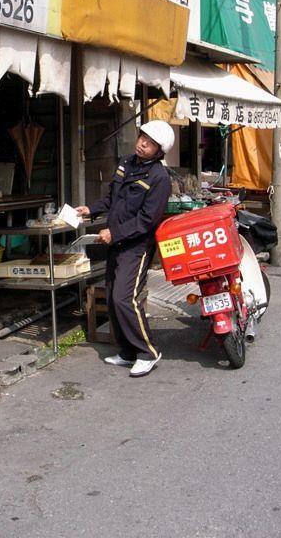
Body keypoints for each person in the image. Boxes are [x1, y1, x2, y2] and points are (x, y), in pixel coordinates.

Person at [75, 120, 173, 377]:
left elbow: (147, 220)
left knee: (124, 297)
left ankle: (147, 352)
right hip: (116, 242)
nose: (143, 144)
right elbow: (112, 198)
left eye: (150, 143)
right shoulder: (126, 162)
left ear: (159, 151)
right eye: (142, 137)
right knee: (111, 296)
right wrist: (91, 209)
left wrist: (114, 232)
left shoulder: (160, 177)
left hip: (137, 246)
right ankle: (127, 351)